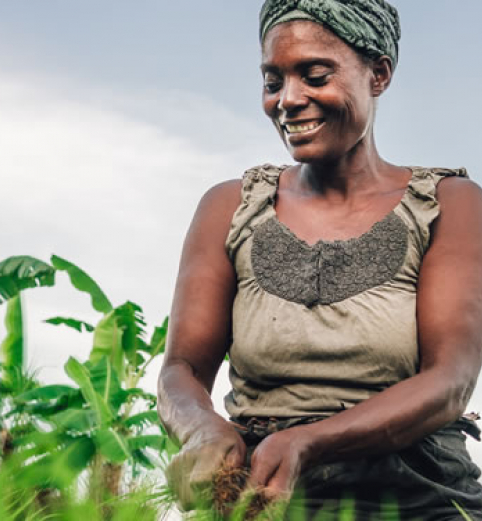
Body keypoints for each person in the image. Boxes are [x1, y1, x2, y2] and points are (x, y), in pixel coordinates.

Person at [157, 0, 482, 518]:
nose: (288, 100)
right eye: (272, 81)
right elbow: (182, 368)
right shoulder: (230, 206)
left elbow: (450, 380)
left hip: (417, 494)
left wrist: (309, 442)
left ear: (378, 74)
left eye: (314, 75)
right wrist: (203, 427)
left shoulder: (449, 203)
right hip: (261, 490)